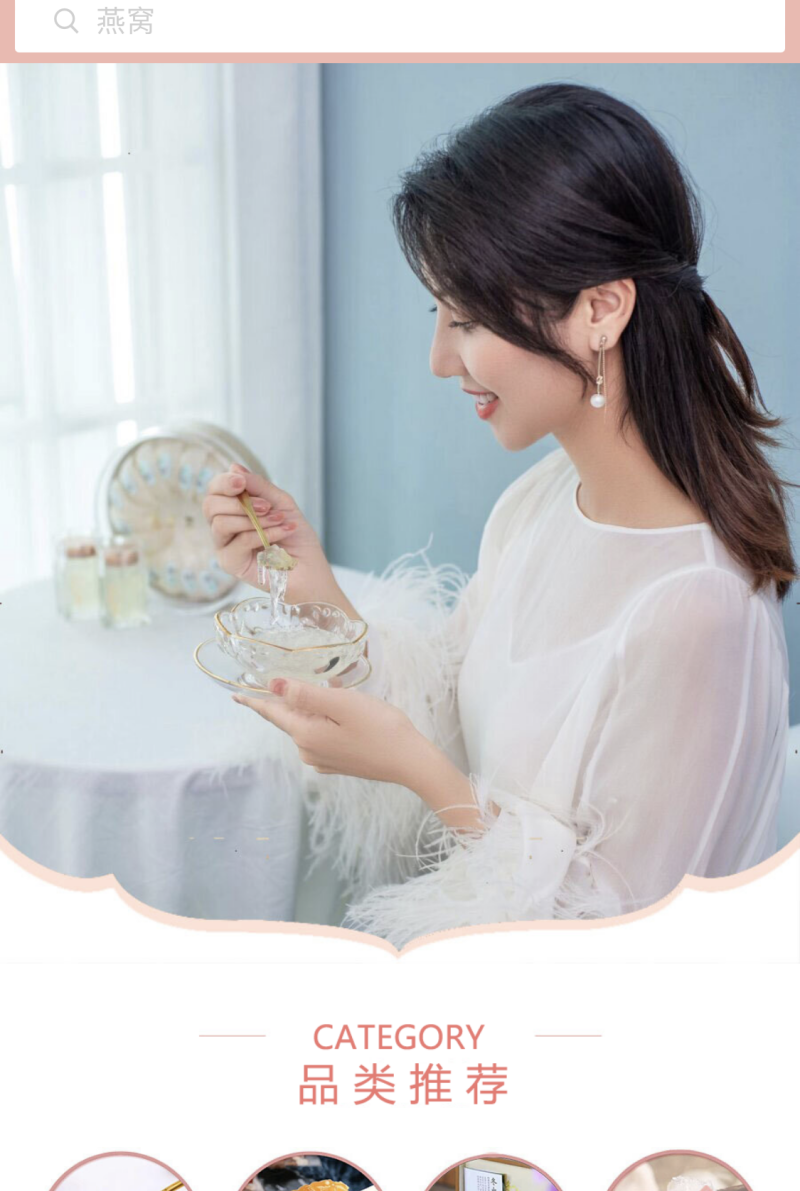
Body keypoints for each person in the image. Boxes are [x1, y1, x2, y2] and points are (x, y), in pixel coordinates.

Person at [204, 83, 792, 944]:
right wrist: (310, 586)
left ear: (601, 309)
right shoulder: (540, 501)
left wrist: (419, 773)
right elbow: (452, 708)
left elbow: (625, 939)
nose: (440, 360)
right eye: (438, 313)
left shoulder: (696, 608)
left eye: (469, 319)